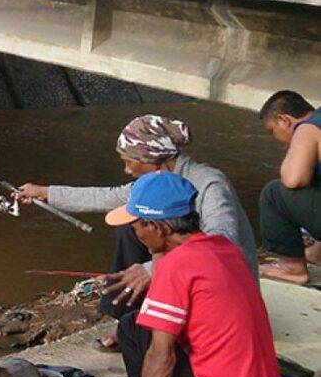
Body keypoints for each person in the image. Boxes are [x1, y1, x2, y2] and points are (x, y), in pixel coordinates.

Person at [18, 114, 256, 350]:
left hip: (223, 286)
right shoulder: (156, 180)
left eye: (129, 161)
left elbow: (223, 243)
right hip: (186, 268)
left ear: (152, 158)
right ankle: (128, 322)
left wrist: (153, 269)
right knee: (129, 226)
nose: (127, 170)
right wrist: (45, 193)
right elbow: (109, 196)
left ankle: (158, 328)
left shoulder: (210, 184)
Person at [103, 172, 287, 377]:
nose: (135, 235)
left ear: (158, 227)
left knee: (133, 329)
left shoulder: (179, 265)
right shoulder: (222, 247)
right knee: (152, 326)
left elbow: (161, 357)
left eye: (136, 227)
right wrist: (157, 251)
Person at [257, 90, 321, 284]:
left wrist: (296, 148)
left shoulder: (308, 128)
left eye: (272, 131)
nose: (277, 140)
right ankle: (318, 253)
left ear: (284, 120)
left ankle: (291, 268)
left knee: (274, 194)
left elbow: (292, 179)